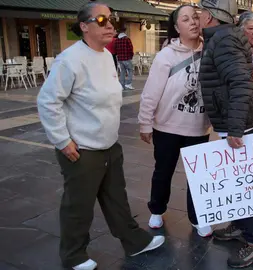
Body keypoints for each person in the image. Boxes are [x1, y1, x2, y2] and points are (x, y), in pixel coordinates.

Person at [36, 3, 164, 270]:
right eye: (102, 19)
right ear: (84, 26)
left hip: (109, 145)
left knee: (116, 198)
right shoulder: (69, 60)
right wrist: (62, 140)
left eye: (112, 19)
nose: (110, 25)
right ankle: (73, 255)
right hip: (81, 149)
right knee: (78, 206)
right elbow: (48, 102)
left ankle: (134, 241)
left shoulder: (106, 56)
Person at [197, 0, 253, 268]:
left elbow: (240, 83)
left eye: (200, 13)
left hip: (241, 123)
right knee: (237, 183)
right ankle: (241, 226)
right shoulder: (225, 37)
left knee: (244, 186)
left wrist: (235, 129)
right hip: (240, 119)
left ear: (210, 16)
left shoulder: (223, 39)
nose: (198, 17)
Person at [138, 5, 213, 238]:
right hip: (167, 127)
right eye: (185, 19)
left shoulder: (211, 51)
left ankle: (197, 218)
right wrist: (145, 123)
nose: (192, 22)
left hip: (198, 127)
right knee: (163, 172)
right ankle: (157, 210)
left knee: (197, 177)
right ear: (176, 27)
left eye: (195, 17)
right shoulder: (166, 56)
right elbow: (151, 92)